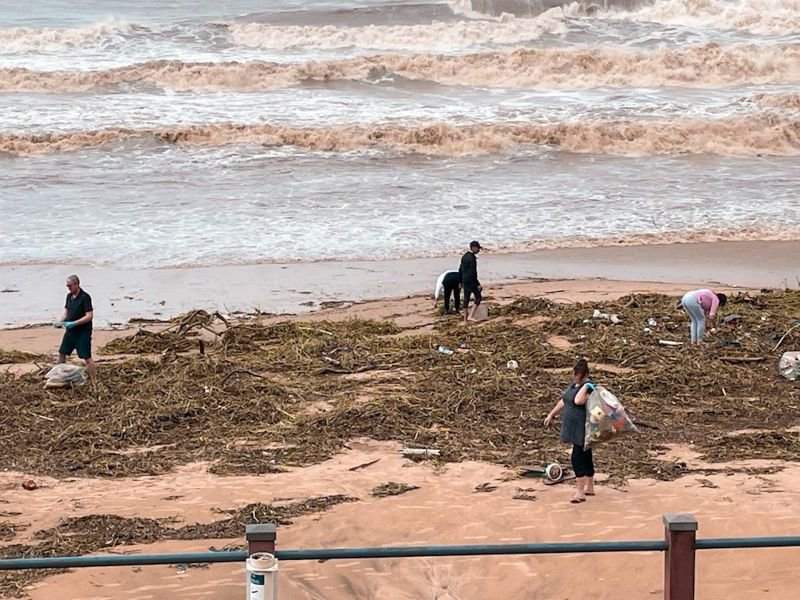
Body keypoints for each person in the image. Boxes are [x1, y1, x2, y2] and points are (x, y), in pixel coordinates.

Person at [543, 359, 596, 504]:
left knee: (577, 457)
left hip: (582, 427)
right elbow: (564, 400)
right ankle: (589, 487)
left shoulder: (589, 387)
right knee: (586, 455)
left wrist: (585, 386)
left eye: (576, 374)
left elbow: (578, 401)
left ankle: (580, 492)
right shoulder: (574, 385)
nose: (573, 376)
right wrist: (551, 414)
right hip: (572, 427)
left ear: (583, 374)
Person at [55, 274, 97, 378]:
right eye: (67, 286)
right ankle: (59, 375)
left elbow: (89, 316)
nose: (69, 288)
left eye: (70, 286)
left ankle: (94, 380)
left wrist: (74, 323)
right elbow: (66, 312)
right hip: (70, 332)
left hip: (83, 332)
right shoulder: (69, 297)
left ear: (77, 284)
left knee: (86, 356)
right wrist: (60, 322)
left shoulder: (85, 297)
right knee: (62, 353)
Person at [460, 240, 482, 324]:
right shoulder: (472, 258)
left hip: (464, 280)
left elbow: (460, 269)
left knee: (466, 299)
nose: (479, 250)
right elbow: (473, 272)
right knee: (478, 297)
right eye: (478, 248)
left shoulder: (464, 256)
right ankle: (471, 316)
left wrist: (461, 281)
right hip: (471, 280)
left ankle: (465, 320)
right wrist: (478, 284)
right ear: (473, 248)